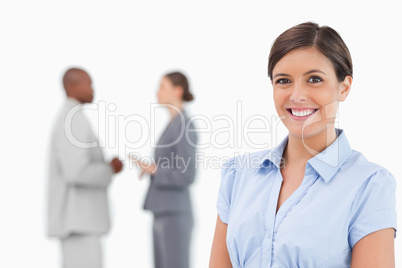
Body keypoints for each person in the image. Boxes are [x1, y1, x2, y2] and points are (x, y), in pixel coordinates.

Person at [209, 22, 397, 268]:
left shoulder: (370, 184)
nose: (297, 95)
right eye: (283, 81)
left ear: (344, 87)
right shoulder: (238, 174)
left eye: (314, 79)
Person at [47, 68, 123, 268]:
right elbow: (76, 171)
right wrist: (109, 170)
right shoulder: (72, 119)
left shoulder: (72, 117)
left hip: (80, 222)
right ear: (72, 87)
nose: (92, 90)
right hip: (79, 223)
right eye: (88, 84)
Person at [131, 71, 197, 268]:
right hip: (163, 210)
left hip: (174, 213)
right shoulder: (173, 125)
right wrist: (153, 168)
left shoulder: (184, 126)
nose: (157, 91)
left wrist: (156, 171)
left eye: (162, 86)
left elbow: (188, 175)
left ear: (177, 91)